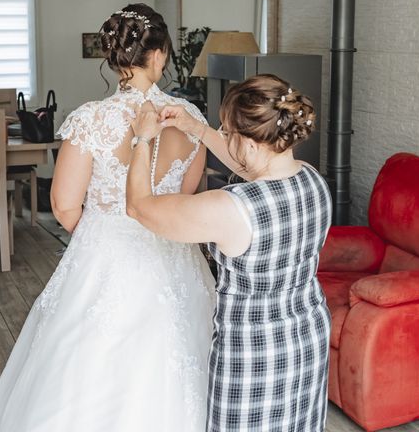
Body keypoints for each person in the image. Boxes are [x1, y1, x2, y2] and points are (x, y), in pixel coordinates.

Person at [0, 3, 216, 431]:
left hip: (106, 259)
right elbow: (183, 199)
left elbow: (65, 206)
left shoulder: (89, 120)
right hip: (175, 259)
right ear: (159, 56)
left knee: (87, 371)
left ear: (115, 57)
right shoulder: (191, 120)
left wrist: (102, 238)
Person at [126, 74, 332, 432]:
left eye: (228, 133)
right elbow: (254, 168)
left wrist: (141, 140)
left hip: (253, 355)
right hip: (307, 339)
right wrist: (198, 129)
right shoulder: (313, 180)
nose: (224, 138)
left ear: (251, 143)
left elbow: (140, 208)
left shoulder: (230, 209)